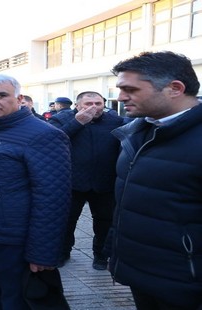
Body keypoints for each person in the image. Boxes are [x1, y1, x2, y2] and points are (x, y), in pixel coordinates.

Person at [0, 74, 72, 309]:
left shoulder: (44, 135)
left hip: (14, 241)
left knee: (16, 301)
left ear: (18, 99)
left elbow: (53, 198)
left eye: (1, 95)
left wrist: (42, 253)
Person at [105, 51, 202, 309]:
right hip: (140, 274)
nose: (120, 97)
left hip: (186, 284)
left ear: (175, 88)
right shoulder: (134, 134)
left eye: (130, 89)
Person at [48, 91, 124, 270]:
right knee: (66, 220)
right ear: (77, 105)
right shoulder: (61, 119)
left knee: (105, 221)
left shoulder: (115, 121)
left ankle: (101, 256)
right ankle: (63, 252)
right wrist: (77, 123)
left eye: (98, 104)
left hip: (104, 182)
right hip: (71, 182)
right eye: (88, 103)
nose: (94, 108)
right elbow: (51, 140)